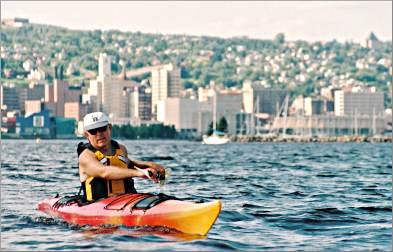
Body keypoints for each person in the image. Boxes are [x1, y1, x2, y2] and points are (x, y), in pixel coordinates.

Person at [77, 112, 165, 203]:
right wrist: (140, 173)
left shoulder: (121, 149)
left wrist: (148, 165)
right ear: (86, 134)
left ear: (109, 128)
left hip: (127, 200)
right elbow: (105, 172)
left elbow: (126, 163)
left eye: (102, 129)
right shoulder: (86, 157)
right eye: (93, 131)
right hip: (97, 204)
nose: (99, 134)